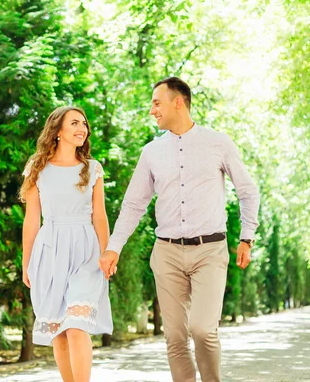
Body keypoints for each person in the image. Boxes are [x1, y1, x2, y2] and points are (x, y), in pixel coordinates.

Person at [99, 77, 260, 382]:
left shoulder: (218, 143)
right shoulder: (151, 153)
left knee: (202, 329)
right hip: (167, 252)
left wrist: (246, 237)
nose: (151, 111)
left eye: (156, 102)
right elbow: (134, 204)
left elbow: (248, 191)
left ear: (178, 102)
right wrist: (113, 247)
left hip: (209, 251)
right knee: (174, 337)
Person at [20, 106, 113, 382]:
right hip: (49, 251)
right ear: (58, 130)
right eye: (74, 123)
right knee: (58, 331)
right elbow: (32, 220)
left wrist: (108, 253)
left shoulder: (92, 169)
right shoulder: (37, 168)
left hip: (86, 253)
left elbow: (100, 216)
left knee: (76, 326)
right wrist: (27, 263)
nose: (82, 128)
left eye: (84, 123)